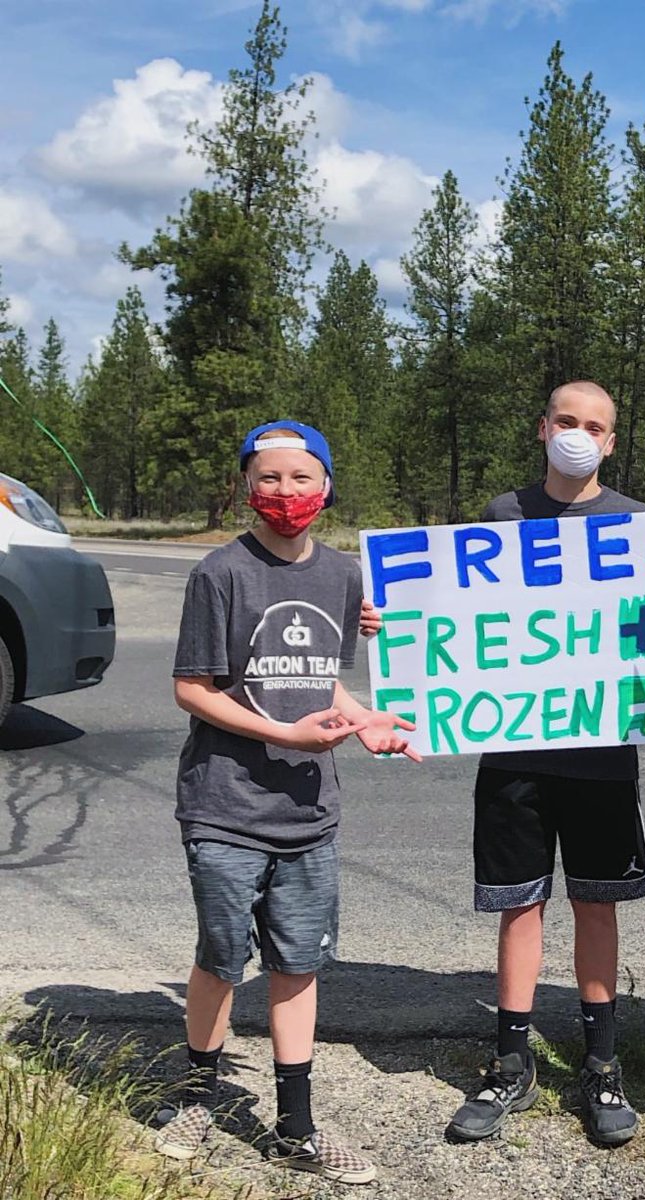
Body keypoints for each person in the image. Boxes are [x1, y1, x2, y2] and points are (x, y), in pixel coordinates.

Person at [434, 381, 645, 1147]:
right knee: (519, 906)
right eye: (567, 421)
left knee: (597, 905)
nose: (578, 435)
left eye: (594, 426)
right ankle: (512, 1060)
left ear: (612, 441)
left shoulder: (638, 524)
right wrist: (394, 624)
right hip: (515, 750)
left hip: (602, 753)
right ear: (543, 427)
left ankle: (600, 1063)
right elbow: (452, 616)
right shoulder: (500, 516)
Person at [154, 420, 419, 1185]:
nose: (285, 493)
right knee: (221, 957)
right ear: (247, 486)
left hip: (308, 812)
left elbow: (320, 677)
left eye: (301, 478)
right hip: (224, 807)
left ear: (326, 485)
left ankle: (296, 1126)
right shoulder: (219, 574)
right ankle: (198, 1097)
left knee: (298, 965)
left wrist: (362, 718)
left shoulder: (342, 575)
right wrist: (283, 734)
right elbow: (192, 688)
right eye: (268, 478)